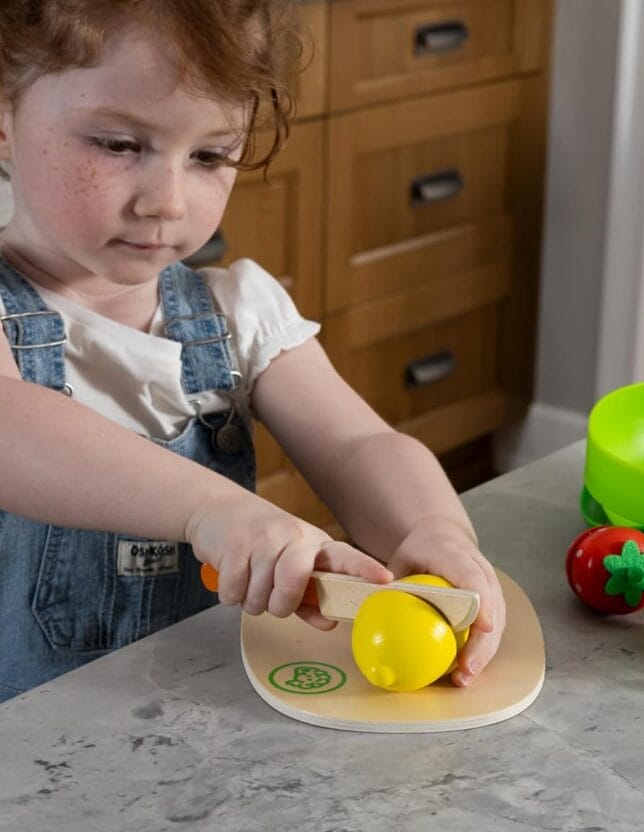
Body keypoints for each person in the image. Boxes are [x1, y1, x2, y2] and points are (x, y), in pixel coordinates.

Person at [0, 0, 505, 702]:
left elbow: (358, 445)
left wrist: (435, 531)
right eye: (118, 144)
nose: (169, 201)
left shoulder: (237, 311)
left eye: (210, 156)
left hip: (204, 727)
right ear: (5, 119)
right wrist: (210, 508)